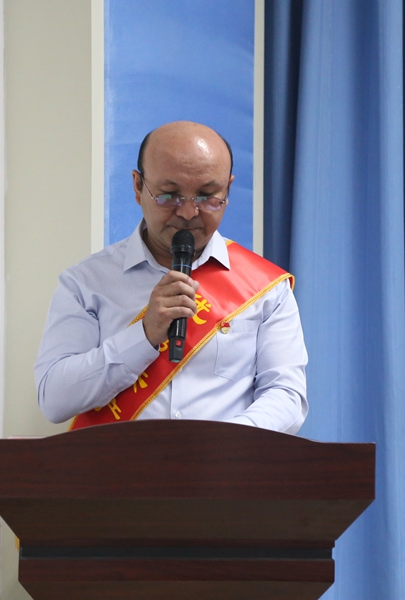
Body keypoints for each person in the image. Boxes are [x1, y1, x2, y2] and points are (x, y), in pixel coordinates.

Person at [34, 121, 308, 434]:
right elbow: (54, 400)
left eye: (207, 196)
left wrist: (224, 444)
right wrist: (144, 334)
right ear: (138, 187)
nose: (188, 213)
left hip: (226, 462)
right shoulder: (87, 282)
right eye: (169, 195)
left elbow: (286, 396)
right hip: (115, 465)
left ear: (228, 190)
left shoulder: (265, 288)